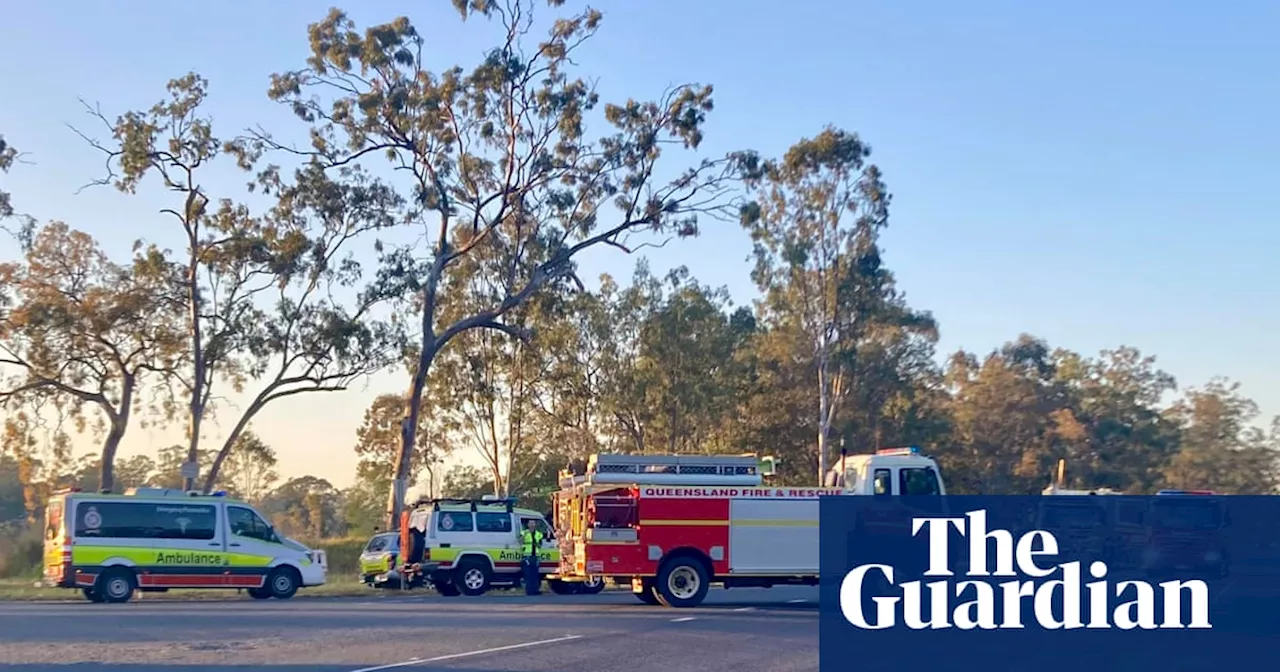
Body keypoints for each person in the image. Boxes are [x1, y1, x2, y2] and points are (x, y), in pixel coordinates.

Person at [520, 519, 545, 596]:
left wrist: (536, 543)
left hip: (535, 557)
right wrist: (525, 535)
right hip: (527, 556)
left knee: (535, 574)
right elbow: (520, 541)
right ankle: (529, 591)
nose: (532, 525)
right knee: (528, 575)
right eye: (530, 523)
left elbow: (540, 545)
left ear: (535, 525)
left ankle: (535, 590)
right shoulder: (524, 532)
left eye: (533, 523)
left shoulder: (538, 534)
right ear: (528, 525)